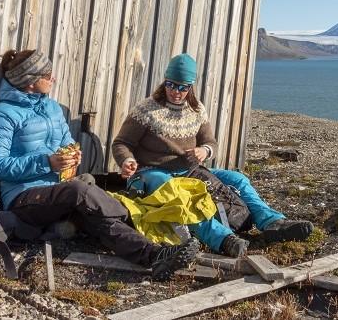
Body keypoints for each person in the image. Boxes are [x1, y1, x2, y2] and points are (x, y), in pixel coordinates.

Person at [0, 49, 199, 281]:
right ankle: (129, 214)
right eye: (47, 75)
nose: (53, 78)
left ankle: (155, 255)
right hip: (23, 197)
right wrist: (46, 163)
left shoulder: (52, 108)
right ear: (30, 81)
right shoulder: (1, 115)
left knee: (94, 214)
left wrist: (72, 155)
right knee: (81, 191)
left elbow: (66, 142)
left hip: (60, 189)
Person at [112, 53, 314, 258]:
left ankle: (272, 222)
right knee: (179, 194)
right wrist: (127, 160)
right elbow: (122, 143)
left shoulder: (197, 110)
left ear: (190, 86)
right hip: (151, 173)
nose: (176, 92)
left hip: (189, 171)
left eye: (183, 87)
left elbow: (210, 143)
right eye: (171, 85)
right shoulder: (145, 110)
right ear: (165, 81)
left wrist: (204, 151)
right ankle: (224, 239)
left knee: (238, 179)